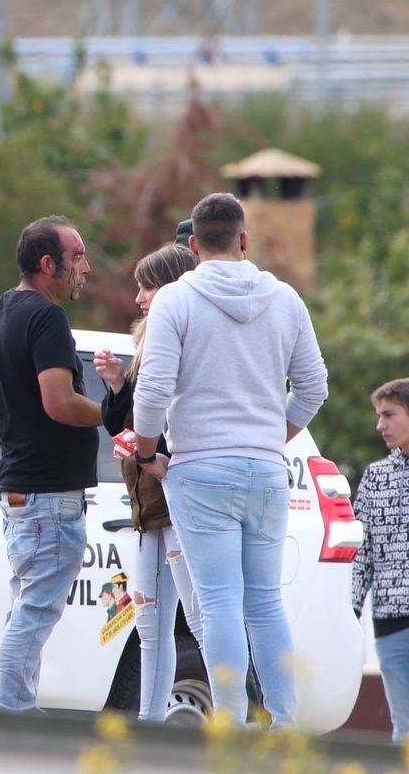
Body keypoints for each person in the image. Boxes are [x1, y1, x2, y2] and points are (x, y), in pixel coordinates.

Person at [133, 192, 329, 728]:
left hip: (198, 468)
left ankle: (231, 723)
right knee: (265, 603)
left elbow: (151, 391)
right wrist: (273, 435)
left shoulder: (176, 300)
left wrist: (148, 451)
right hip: (265, 469)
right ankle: (285, 724)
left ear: (192, 245)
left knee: (219, 603)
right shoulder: (285, 299)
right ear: (245, 239)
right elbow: (314, 386)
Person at [0, 215, 102, 713]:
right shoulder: (46, 317)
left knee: (27, 609)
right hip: (49, 495)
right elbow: (61, 404)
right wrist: (114, 413)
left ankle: (16, 703)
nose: (86, 266)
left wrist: (16, 404)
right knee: (36, 612)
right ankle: (12, 712)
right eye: (77, 255)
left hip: (22, 492)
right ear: (49, 263)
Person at [94, 244, 205, 721]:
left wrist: (153, 454)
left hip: (177, 498)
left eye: (148, 287)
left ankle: (238, 718)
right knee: (149, 622)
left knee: (202, 619)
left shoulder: (190, 342)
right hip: (149, 506)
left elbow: (175, 423)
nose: (139, 298)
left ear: (175, 290)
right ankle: (149, 723)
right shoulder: (148, 343)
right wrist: (119, 386)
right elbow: (128, 421)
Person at [353, 378, 409, 741]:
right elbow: (362, 555)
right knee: (403, 732)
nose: (380, 425)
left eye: (389, 415)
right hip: (391, 626)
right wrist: (348, 612)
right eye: (378, 416)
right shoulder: (376, 477)